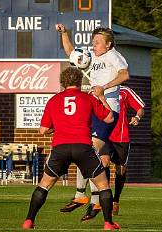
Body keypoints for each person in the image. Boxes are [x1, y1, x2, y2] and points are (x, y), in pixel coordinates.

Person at [22, 67, 120, 230]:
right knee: (103, 185)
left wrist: (59, 127)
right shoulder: (87, 99)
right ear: (79, 82)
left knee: (44, 185)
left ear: (62, 83)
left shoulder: (54, 100)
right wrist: (102, 97)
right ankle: (108, 223)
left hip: (60, 148)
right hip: (83, 147)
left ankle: (29, 221)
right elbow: (109, 118)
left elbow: (43, 130)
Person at [55, 23, 130, 216]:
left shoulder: (113, 55)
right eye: (93, 42)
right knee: (86, 151)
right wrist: (64, 33)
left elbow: (124, 75)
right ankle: (93, 200)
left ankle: (83, 196)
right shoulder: (92, 57)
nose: (93, 45)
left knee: (85, 150)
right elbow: (71, 51)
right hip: (93, 107)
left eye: (97, 42)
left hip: (108, 106)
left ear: (109, 44)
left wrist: (104, 87)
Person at [66, 86, 145, 221]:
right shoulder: (93, 91)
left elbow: (140, 108)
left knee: (120, 170)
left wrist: (137, 117)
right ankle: (101, 200)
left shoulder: (124, 91)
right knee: (103, 162)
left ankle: (116, 200)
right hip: (104, 136)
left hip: (121, 137)